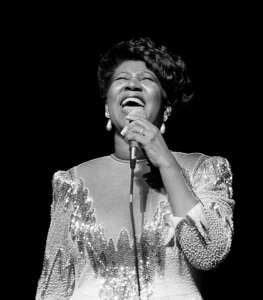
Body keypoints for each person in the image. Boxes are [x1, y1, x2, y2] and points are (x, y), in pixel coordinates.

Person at [35, 37, 234, 300]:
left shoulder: (203, 170)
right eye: (121, 79)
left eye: (147, 79)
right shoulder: (71, 182)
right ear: (107, 106)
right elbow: (53, 286)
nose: (132, 84)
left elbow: (208, 253)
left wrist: (166, 162)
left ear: (166, 108)